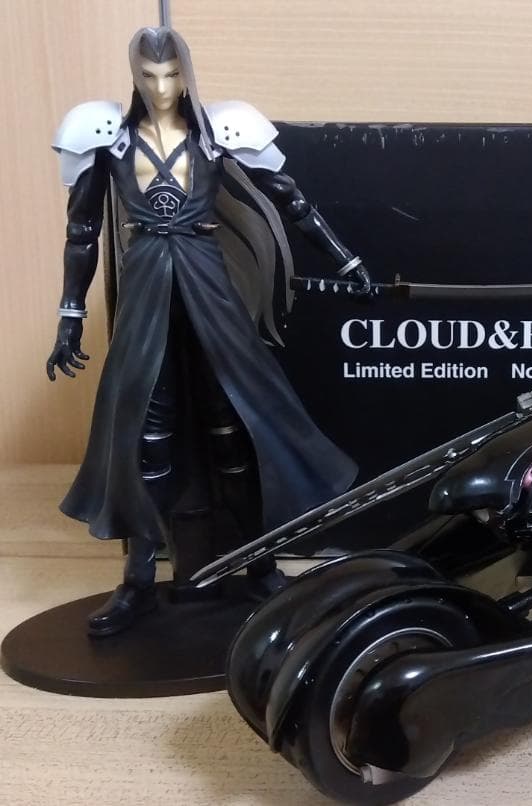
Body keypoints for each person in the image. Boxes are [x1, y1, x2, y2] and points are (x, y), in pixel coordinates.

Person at [47, 27, 367, 637]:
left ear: (187, 74)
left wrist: (346, 260)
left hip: (209, 287)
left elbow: (290, 199)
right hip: (146, 288)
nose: (162, 88)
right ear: (134, 76)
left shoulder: (220, 131)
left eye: (172, 75)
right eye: (149, 76)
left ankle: (260, 564)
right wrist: (70, 315)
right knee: (144, 436)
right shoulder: (106, 136)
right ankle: (139, 577)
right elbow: (82, 231)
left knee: (237, 427)